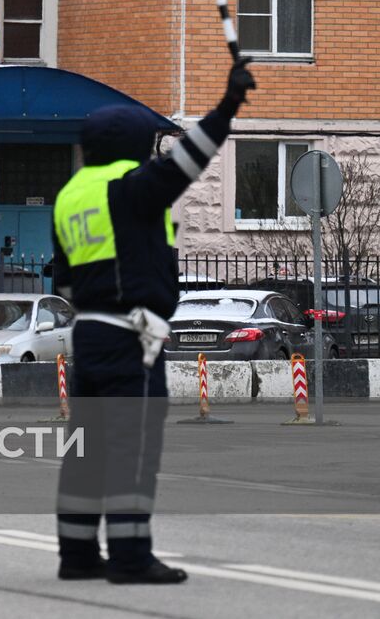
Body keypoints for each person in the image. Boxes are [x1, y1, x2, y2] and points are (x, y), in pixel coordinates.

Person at [51, 58, 256, 585]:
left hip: (88, 335)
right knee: (131, 449)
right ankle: (131, 558)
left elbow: (65, 284)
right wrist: (228, 105)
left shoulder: (69, 196)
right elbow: (188, 160)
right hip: (131, 338)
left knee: (87, 451)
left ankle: (76, 556)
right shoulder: (131, 186)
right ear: (135, 147)